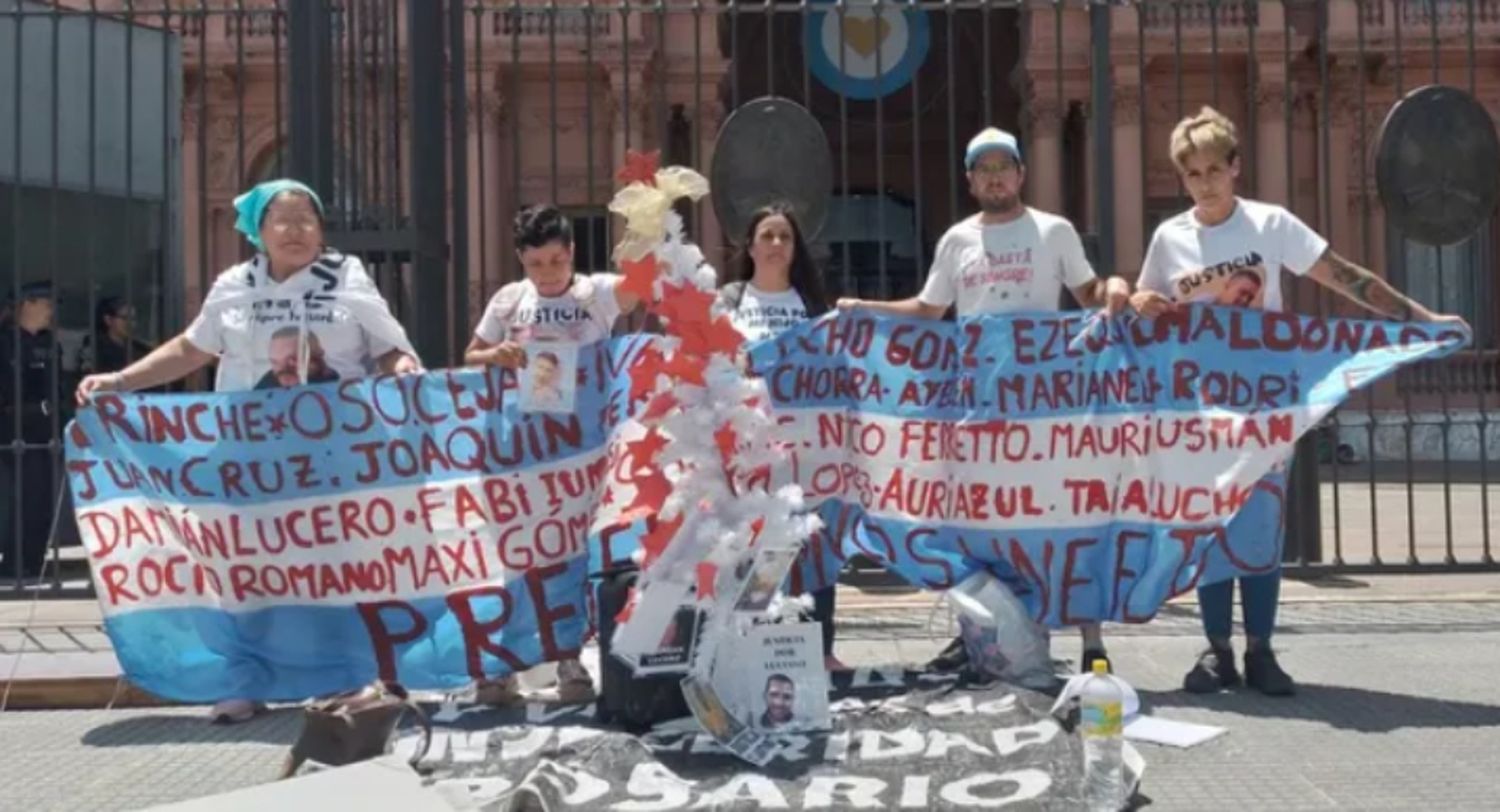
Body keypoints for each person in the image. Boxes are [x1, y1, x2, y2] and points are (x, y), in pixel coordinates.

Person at [1131, 106, 1469, 696]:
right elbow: (1149, 302)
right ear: (1182, 179)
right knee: (1210, 525)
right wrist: (1140, 302)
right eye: (1192, 173)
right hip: (1200, 412)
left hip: (1266, 406)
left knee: (1261, 525)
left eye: (1214, 168)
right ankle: (1217, 651)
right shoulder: (1170, 237)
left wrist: (1420, 320)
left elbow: (1344, 276)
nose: (1205, 182)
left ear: (1235, 167)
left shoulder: (1271, 225)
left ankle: (1261, 649)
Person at [77, 178, 421, 722]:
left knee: (337, 571)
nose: (296, 229)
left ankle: (353, 678)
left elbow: (389, 348)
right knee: (249, 574)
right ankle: (247, 680)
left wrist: (401, 368)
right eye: (282, 219)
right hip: (249, 463)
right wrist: (122, 380)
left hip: (331, 460)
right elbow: (192, 348)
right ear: (257, 231)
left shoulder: (347, 277)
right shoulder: (233, 285)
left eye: (307, 217)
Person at [838, 127, 1130, 676]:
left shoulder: (1054, 230)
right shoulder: (956, 241)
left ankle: (1092, 642)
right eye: (984, 167)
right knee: (978, 528)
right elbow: (930, 310)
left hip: (1047, 412)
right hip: (978, 411)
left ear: (1020, 174)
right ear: (971, 181)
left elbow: (1089, 295)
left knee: (1066, 518)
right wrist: (866, 308)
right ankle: (980, 633)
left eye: (1005, 165)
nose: (995, 175)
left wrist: (1115, 286)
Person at [463, 203, 646, 706]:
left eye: (556, 261)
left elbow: (644, 285)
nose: (547, 273)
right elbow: (470, 354)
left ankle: (570, 664)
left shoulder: (597, 293)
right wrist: (494, 355)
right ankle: (499, 669)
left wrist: (649, 225)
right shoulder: (507, 300)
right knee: (518, 560)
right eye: (536, 263)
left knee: (572, 558)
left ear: (572, 254)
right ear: (520, 259)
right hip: (522, 456)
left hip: (583, 458)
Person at [718, 203, 845, 671]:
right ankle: (752, 638)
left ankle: (823, 646)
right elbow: (709, 363)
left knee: (812, 542)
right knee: (758, 546)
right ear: (749, 245)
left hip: (808, 451)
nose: (775, 245)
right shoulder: (729, 301)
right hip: (750, 450)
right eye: (767, 236)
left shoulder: (811, 306)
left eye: (784, 237)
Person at [0, 281, 69, 580]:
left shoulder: (49, 343)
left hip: (44, 433)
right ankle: (13, 563)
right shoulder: (4, 341)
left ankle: (33, 560)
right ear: (26, 304)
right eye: (46, 302)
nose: (51, 310)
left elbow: (58, 387)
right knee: (19, 497)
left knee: (41, 495)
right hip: (10, 431)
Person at [255, 326, 340, 389]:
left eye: (293, 359)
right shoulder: (266, 386)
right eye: (275, 362)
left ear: (319, 355)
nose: (283, 369)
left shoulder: (340, 390)